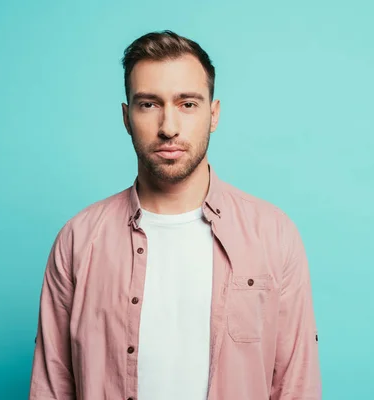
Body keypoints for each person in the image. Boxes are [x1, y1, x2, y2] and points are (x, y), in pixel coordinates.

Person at [29, 30, 322, 400]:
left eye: (188, 104)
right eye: (149, 104)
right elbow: (52, 387)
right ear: (126, 116)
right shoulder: (78, 240)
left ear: (213, 114)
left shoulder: (274, 235)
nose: (169, 127)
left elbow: (296, 385)